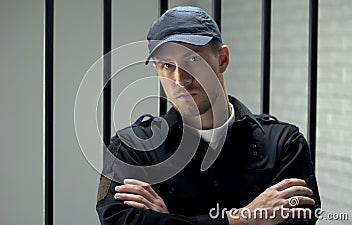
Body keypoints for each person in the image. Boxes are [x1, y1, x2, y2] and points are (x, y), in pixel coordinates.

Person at [96, 6, 321, 225]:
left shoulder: (284, 145)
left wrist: (170, 219)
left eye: (193, 60)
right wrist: (243, 219)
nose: (180, 80)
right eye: (167, 65)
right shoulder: (131, 149)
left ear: (222, 59)